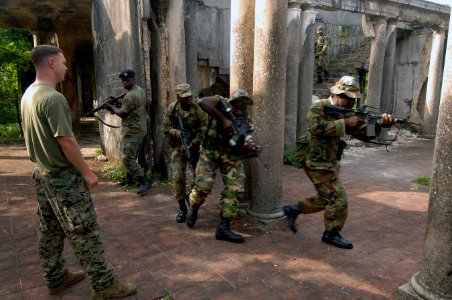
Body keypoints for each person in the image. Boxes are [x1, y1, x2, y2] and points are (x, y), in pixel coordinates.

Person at [20, 45, 136, 299]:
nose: (66, 67)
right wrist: (87, 172)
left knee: (50, 230)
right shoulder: (53, 98)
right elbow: (66, 140)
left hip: (43, 175)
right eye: (62, 62)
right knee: (84, 230)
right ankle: (105, 286)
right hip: (62, 178)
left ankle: (56, 277)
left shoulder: (29, 94)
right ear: (51, 63)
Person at [283, 76, 396, 249]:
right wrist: (344, 123)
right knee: (339, 198)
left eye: (352, 98)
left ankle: (294, 210)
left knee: (326, 198)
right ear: (337, 94)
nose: (350, 101)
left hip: (329, 162)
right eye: (347, 97)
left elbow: (366, 135)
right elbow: (316, 128)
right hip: (315, 161)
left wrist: (380, 124)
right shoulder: (319, 106)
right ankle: (331, 234)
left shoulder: (349, 112)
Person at [185, 90, 259, 243]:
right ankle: (193, 206)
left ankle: (223, 228)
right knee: (202, 188)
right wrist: (224, 119)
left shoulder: (246, 121)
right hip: (210, 153)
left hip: (230, 156)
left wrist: (247, 147)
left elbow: (240, 146)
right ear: (230, 102)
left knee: (236, 189)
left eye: (243, 108)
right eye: (237, 106)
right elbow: (202, 102)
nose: (239, 111)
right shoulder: (219, 102)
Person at [162, 83, 207, 223]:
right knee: (178, 177)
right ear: (178, 98)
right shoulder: (173, 108)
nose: (189, 100)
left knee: (198, 177)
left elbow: (204, 131)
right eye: (185, 97)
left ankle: (191, 196)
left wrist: (193, 142)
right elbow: (165, 126)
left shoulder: (199, 108)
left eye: (190, 96)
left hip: (196, 147)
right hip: (178, 148)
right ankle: (182, 208)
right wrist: (175, 132)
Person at [105, 69, 152, 196]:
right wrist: (120, 103)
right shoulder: (138, 90)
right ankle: (130, 179)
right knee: (132, 155)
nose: (124, 83)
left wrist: (111, 108)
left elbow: (123, 113)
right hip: (139, 128)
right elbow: (132, 106)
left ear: (133, 79)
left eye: (127, 80)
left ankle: (145, 181)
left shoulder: (130, 95)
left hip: (133, 130)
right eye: (123, 81)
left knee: (127, 158)